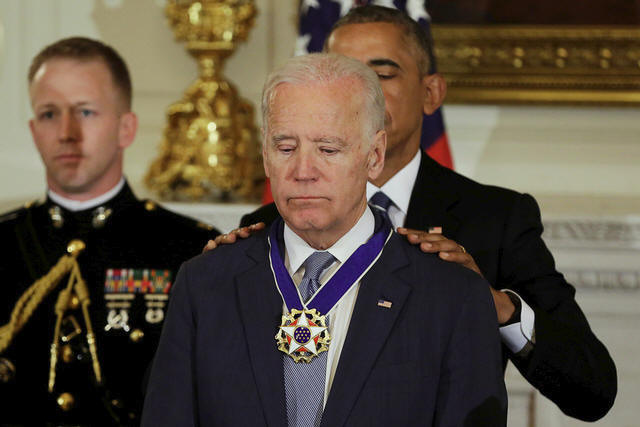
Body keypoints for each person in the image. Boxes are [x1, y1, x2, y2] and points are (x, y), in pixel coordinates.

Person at [230, 5, 617, 422]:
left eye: (382, 74)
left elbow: (591, 390)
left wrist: (493, 305)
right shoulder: (272, 222)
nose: (362, 92)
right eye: (345, 74)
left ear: (431, 93)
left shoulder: (495, 220)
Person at [143, 53, 507, 426]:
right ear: (265, 156)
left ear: (374, 156)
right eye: (286, 148)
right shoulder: (205, 283)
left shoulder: (451, 295)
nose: (303, 171)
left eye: (328, 149)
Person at [0, 37, 220, 426]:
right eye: (49, 114)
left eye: (85, 111)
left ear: (125, 128)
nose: (66, 132)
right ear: (34, 131)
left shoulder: (190, 249)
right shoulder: (3, 243)